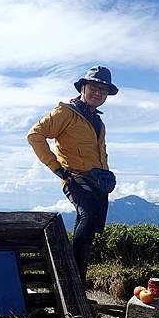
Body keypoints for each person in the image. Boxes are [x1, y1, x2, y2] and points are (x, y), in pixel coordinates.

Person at [27, 65, 118, 285]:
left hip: (97, 182)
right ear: (83, 88)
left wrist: (105, 175)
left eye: (103, 90)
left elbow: (98, 152)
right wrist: (57, 168)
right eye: (94, 87)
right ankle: (72, 281)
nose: (98, 93)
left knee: (88, 225)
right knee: (87, 218)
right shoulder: (66, 112)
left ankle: (78, 287)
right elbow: (35, 135)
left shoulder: (98, 121)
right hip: (74, 177)